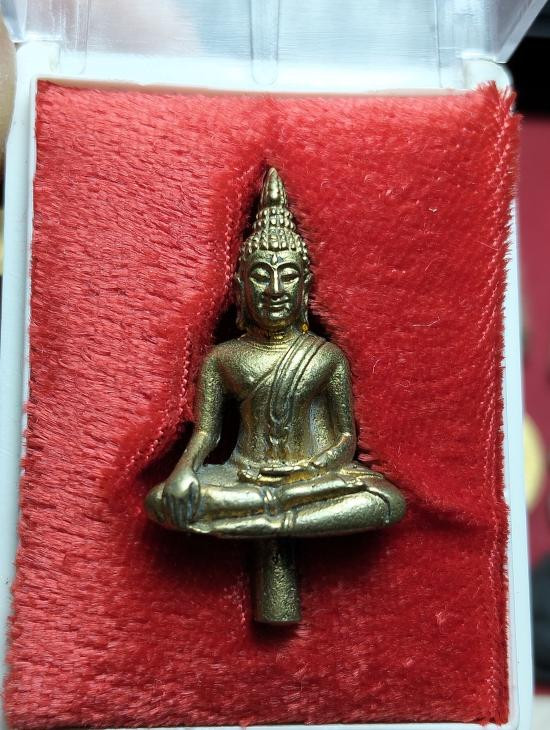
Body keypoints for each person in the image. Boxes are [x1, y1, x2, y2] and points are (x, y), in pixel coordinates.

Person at [145, 168, 405, 538]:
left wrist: (310, 469)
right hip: (242, 476)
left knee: (385, 501)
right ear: (240, 286)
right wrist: (183, 471)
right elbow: (207, 433)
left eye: (289, 275)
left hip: (310, 480)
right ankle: (277, 513)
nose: (275, 289)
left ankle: (272, 517)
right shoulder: (223, 358)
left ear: (305, 286)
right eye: (261, 275)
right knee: (162, 500)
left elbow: (345, 437)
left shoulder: (326, 357)